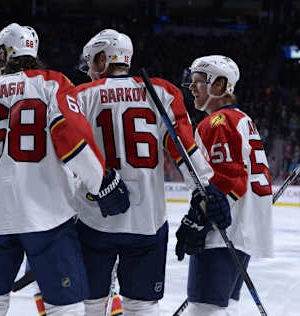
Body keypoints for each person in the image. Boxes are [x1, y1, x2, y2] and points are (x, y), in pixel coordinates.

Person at [0, 23, 130, 316]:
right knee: (65, 308)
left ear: (2, 54)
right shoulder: (52, 83)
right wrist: (102, 182)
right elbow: (71, 138)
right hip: (48, 217)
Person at [73, 29, 231, 316]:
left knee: (91, 304)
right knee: (142, 306)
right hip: (147, 220)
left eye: (91, 62)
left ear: (102, 58)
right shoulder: (162, 92)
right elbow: (183, 148)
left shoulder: (81, 96)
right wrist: (205, 189)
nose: (89, 71)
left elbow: (68, 152)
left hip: (94, 218)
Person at [179, 55, 273, 316]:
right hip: (242, 229)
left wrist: (201, 217)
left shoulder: (218, 123)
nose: (192, 88)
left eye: (198, 82)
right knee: (223, 307)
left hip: (224, 230)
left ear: (219, 85)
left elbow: (230, 177)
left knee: (204, 309)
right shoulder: (241, 119)